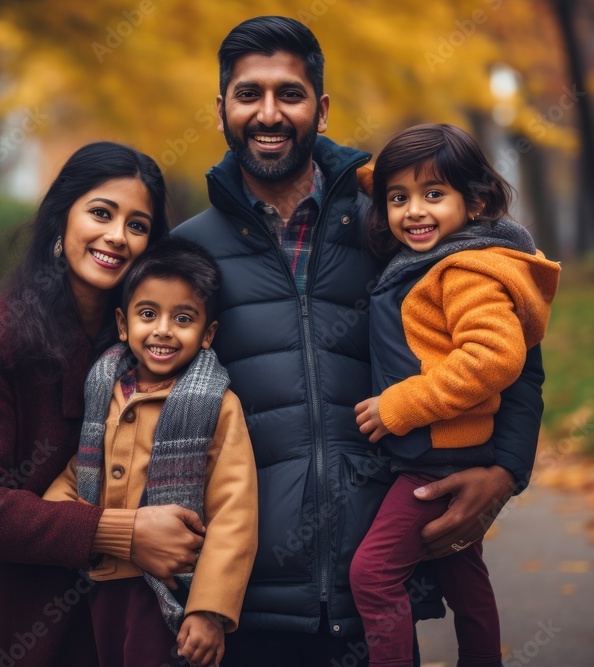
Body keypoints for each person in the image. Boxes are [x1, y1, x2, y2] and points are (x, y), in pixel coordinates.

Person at [172, 16, 547, 666]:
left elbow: (512, 351)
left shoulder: (395, 226)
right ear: (221, 109)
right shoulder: (187, 252)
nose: (268, 112)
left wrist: (505, 470)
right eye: (248, 93)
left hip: (376, 581)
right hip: (244, 596)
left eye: (288, 93)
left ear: (320, 109)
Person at [0, 142, 208, 665]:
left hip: (128, 628)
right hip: (20, 628)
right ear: (62, 217)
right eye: (101, 213)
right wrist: (123, 533)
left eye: (138, 225)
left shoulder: (156, 348)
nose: (116, 236)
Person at [350, 124, 560, 667]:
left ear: (477, 201)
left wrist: (400, 405)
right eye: (398, 199)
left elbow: (494, 357)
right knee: (463, 575)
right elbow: (398, 184)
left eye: (433, 195)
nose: (414, 211)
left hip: (436, 457)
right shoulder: (438, 256)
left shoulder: (464, 270)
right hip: (451, 451)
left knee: (372, 575)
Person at [42, 238, 258, 667]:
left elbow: (235, 512)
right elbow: (85, 466)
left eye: (183, 318)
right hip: (102, 583)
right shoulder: (106, 389)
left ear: (208, 334)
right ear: (123, 325)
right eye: (148, 314)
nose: (162, 329)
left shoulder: (215, 403)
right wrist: (58, 521)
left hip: (168, 590)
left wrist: (208, 609)